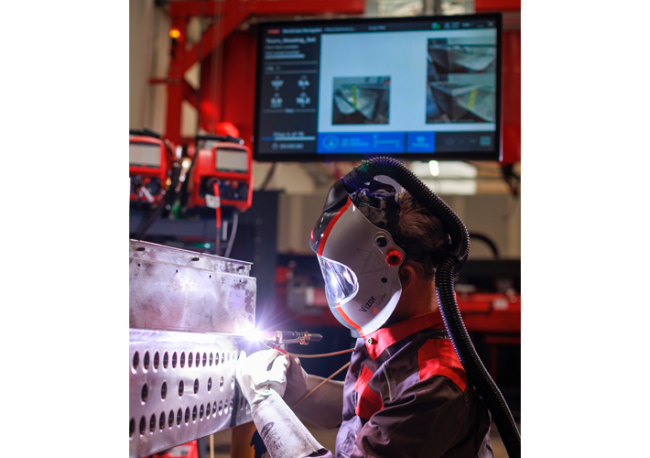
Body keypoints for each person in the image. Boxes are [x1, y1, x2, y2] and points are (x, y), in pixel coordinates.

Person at [237, 173, 493, 458]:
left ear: (402, 276)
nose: (339, 287)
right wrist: (300, 392)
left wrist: (264, 402)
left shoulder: (435, 384)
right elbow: (366, 413)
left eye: (346, 277)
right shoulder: (393, 333)